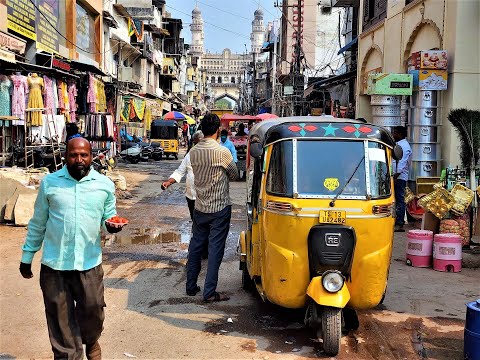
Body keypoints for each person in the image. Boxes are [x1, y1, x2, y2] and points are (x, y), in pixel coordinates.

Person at [19, 137, 123, 360]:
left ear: (91, 156)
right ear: (65, 156)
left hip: (89, 263)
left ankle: (92, 341)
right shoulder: (50, 183)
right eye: (73, 155)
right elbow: (38, 222)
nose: (79, 159)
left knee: (94, 311)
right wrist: (27, 256)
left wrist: (111, 226)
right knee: (61, 321)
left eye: (83, 155)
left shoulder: (104, 185)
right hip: (54, 265)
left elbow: (108, 217)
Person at [186, 113, 238, 302]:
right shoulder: (222, 152)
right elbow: (234, 174)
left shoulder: (194, 151)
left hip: (200, 206)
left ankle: (191, 286)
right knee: (215, 249)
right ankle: (209, 292)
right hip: (219, 208)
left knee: (196, 247)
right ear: (217, 131)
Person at [162, 130, 204, 221]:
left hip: (205, 197)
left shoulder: (210, 154)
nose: (199, 145)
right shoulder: (190, 154)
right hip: (191, 196)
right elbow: (180, 171)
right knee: (195, 221)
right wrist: (169, 182)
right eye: (196, 143)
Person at [392, 126, 412, 232]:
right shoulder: (399, 145)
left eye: (394, 133)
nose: (393, 135)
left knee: (400, 199)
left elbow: (402, 162)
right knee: (395, 199)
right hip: (395, 176)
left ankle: (400, 223)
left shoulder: (404, 146)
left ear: (399, 134)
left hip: (399, 177)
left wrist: (396, 175)